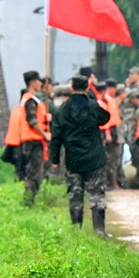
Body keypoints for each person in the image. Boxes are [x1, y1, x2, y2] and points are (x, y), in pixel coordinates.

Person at [49, 75, 111, 234]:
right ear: (87, 88)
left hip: (73, 159)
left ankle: (77, 231)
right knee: (97, 195)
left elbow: (56, 137)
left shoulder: (62, 110)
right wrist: (93, 99)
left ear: (71, 89)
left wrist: (54, 159)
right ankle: (99, 231)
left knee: (75, 196)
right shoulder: (92, 106)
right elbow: (106, 118)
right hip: (94, 158)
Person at [19, 70, 51, 206]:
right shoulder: (30, 100)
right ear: (32, 83)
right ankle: (29, 201)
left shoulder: (36, 99)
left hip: (36, 140)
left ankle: (30, 200)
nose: (41, 84)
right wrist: (45, 134)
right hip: (33, 140)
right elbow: (32, 121)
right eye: (39, 81)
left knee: (37, 171)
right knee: (34, 173)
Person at [99, 80, 123, 190]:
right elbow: (106, 120)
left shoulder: (110, 100)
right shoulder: (104, 101)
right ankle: (110, 183)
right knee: (109, 158)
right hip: (108, 131)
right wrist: (108, 133)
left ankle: (113, 182)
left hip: (114, 130)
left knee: (114, 158)